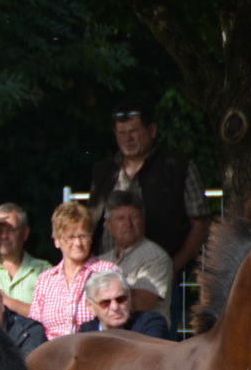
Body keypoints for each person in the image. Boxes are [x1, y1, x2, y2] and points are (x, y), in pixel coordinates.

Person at [89, 103, 210, 274]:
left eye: (134, 131)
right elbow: (91, 222)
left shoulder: (178, 168)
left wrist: (171, 267)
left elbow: (200, 225)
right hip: (108, 275)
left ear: (152, 130)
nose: (127, 139)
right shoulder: (102, 171)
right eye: (121, 133)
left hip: (160, 275)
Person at [28, 202, 120, 340]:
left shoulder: (108, 271)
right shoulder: (45, 279)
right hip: (53, 353)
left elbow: (118, 318)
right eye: (70, 237)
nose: (77, 243)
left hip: (94, 350)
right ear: (57, 241)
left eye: (82, 236)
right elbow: (34, 327)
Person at [101, 190, 174, 322]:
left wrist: (98, 301)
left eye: (134, 217)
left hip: (144, 337)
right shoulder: (102, 261)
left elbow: (139, 305)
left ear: (143, 221)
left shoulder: (156, 257)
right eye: (120, 218)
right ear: (108, 224)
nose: (128, 224)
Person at [76, 271, 171, 339]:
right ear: (90, 306)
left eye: (120, 299)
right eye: (105, 303)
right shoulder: (86, 333)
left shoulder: (150, 323)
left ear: (129, 298)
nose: (115, 307)